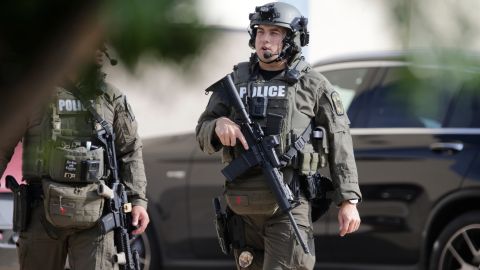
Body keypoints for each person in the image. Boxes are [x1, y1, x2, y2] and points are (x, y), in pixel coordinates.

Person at [196, 2, 361, 269]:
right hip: (243, 207)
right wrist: (217, 126)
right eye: (260, 32)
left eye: (274, 33)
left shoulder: (313, 84)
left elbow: (340, 139)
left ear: (291, 39)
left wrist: (348, 199)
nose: (265, 39)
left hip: (289, 204)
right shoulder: (236, 82)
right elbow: (202, 130)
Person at [0, 46, 149, 269]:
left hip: (97, 216)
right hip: (40, 212)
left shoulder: (111, 97)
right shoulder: (34, 96)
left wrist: (137, 200)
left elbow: (129, 150)